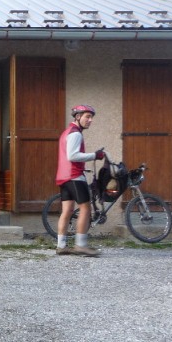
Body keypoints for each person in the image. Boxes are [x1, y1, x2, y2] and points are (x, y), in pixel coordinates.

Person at [55, 104, 104, 257]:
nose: (90, 120)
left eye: (91, 117)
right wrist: (95, 155)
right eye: (87, 117)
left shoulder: (66, 132)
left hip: (63, 177)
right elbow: (73, 156)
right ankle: (81, 245)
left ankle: (61, 245)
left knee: (67, 211)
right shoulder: (75, 133)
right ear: (77, 117)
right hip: (74, 176)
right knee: (85, 209)